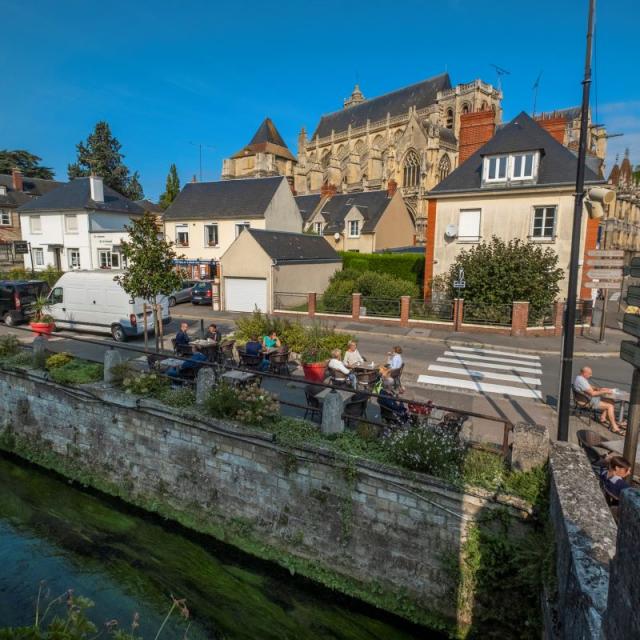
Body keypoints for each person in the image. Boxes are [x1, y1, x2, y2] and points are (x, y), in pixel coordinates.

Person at [573, 366, 626, 434]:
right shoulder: (581, 381)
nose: (591, 375)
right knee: (610, 406)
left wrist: (598, 389)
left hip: (587, 398)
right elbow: (592, 394)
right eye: (589, 374)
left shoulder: (580, 378)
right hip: (587, 401)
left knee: (611, 401)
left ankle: (603, 418)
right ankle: (614, 427)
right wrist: (604, 392)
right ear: (584, 373)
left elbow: (589, 387)